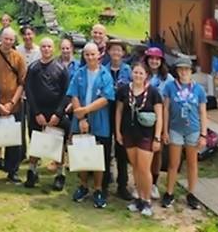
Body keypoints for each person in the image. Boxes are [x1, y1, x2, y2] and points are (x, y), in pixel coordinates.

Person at [67, 42, 115, 209]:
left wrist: (85, 110)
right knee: (82, 154)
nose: (90, 57)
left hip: (99, 121)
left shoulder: (105, 75)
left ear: (98, 55)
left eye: (93, 54)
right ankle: (83, 186)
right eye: (87, 54)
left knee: (98, 156)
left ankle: (98, 189)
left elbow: (106, 98)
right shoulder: (79, 73)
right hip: (80, 121)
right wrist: (81, 118)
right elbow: (73, 94)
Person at [115, 62, 163, 217]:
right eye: (135, 72)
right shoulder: (124, 90)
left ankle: (147, 200)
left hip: (146, 135)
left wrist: (157, 137)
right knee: (135, 167)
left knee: (144, 168)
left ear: (146, 75)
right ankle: (138, 197)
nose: (137, 76)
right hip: (129, 134)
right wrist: (118, 132)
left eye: (141, 73)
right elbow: (119, 112)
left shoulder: (153, 92)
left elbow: (160, 116)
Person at [161, 57, 208, 210]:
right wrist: (165, 130)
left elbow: (202, 112)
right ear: (177, 71)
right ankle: (169, 192)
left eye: (186, 69)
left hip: (193, 130)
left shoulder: (198, 89)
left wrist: (203, 134)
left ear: (191, 71)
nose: (183, 72)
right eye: (180, 69)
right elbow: (166, 109)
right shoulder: (170, 86)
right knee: (173, 163)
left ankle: (192, 194)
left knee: (192, 163)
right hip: (175, 128)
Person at [24, 38, 70, 191]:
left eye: (49, 46)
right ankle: (32, 171)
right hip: (37, 113)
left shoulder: (62, 69)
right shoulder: (33, 68)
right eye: (43, 46)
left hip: (56, 114)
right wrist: (37, 113)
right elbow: (28, 91)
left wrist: (58, 114)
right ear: (40, 49)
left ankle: (60, 174)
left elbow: (66, 93)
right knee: (36, 143)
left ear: (53, 49)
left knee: (58, 145)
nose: (46, 49)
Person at [0, 27, 27, 184]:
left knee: (13, 140)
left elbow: (22, 83)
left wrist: (11, 103)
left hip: (14, 105)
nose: (8, 42)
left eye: (11, 39)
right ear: (0, 39)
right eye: (6, 38)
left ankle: (12, 170)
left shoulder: (18, 58)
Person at [104, 39, 132, 199]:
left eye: (119, 50)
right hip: (106, 111)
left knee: (122, 148)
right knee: (106, 146)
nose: (116, 53)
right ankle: (105, 179)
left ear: (123, 53)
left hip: (123, 113)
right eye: (113, 50)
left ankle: (123, 184)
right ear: (108, 52)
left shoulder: (128, 70)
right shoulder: (103, 70)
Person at [144, 46, 173, 200]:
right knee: (142, 151)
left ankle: (154, 183)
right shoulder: (141, 73)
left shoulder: (168, 79)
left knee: (157, 152)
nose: (154, 61)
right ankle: (141, 182)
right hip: (142, 118)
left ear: (161, 61)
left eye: (157, 59)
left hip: (160, 119)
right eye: (151, 58)